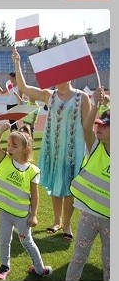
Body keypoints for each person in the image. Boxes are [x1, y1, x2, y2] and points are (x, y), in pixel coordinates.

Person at [12, 48, 88, 241]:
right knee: (56, 185)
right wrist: (17, 64)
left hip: (73, 150)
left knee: (69, 187)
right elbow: (25, 88)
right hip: (54, 149)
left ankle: (67, 224)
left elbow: (88, 126)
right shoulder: (49, 95)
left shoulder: (82, 97)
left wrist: (92, 150)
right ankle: (57, 220)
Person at [0, 123, 51, 280]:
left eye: (14, 146)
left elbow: (35, 196)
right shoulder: (6, 159)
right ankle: (4, 266)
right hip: (5, 212)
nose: (9, 148)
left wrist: (33, 214)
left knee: (27, 242)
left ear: (25, 149)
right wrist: (1, 131)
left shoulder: (32, 171)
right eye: (8, 145)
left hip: (21, 215)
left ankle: (40, 269)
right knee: (4, 240)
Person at [66, 101, 110, 281]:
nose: (98, 128)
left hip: (110, 218)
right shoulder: (95, 147)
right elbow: (86, 129)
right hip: (89, 214)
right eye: (98, 124)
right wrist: (96, 106)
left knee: (110, 263)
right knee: (78, 257)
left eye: (105, 126)